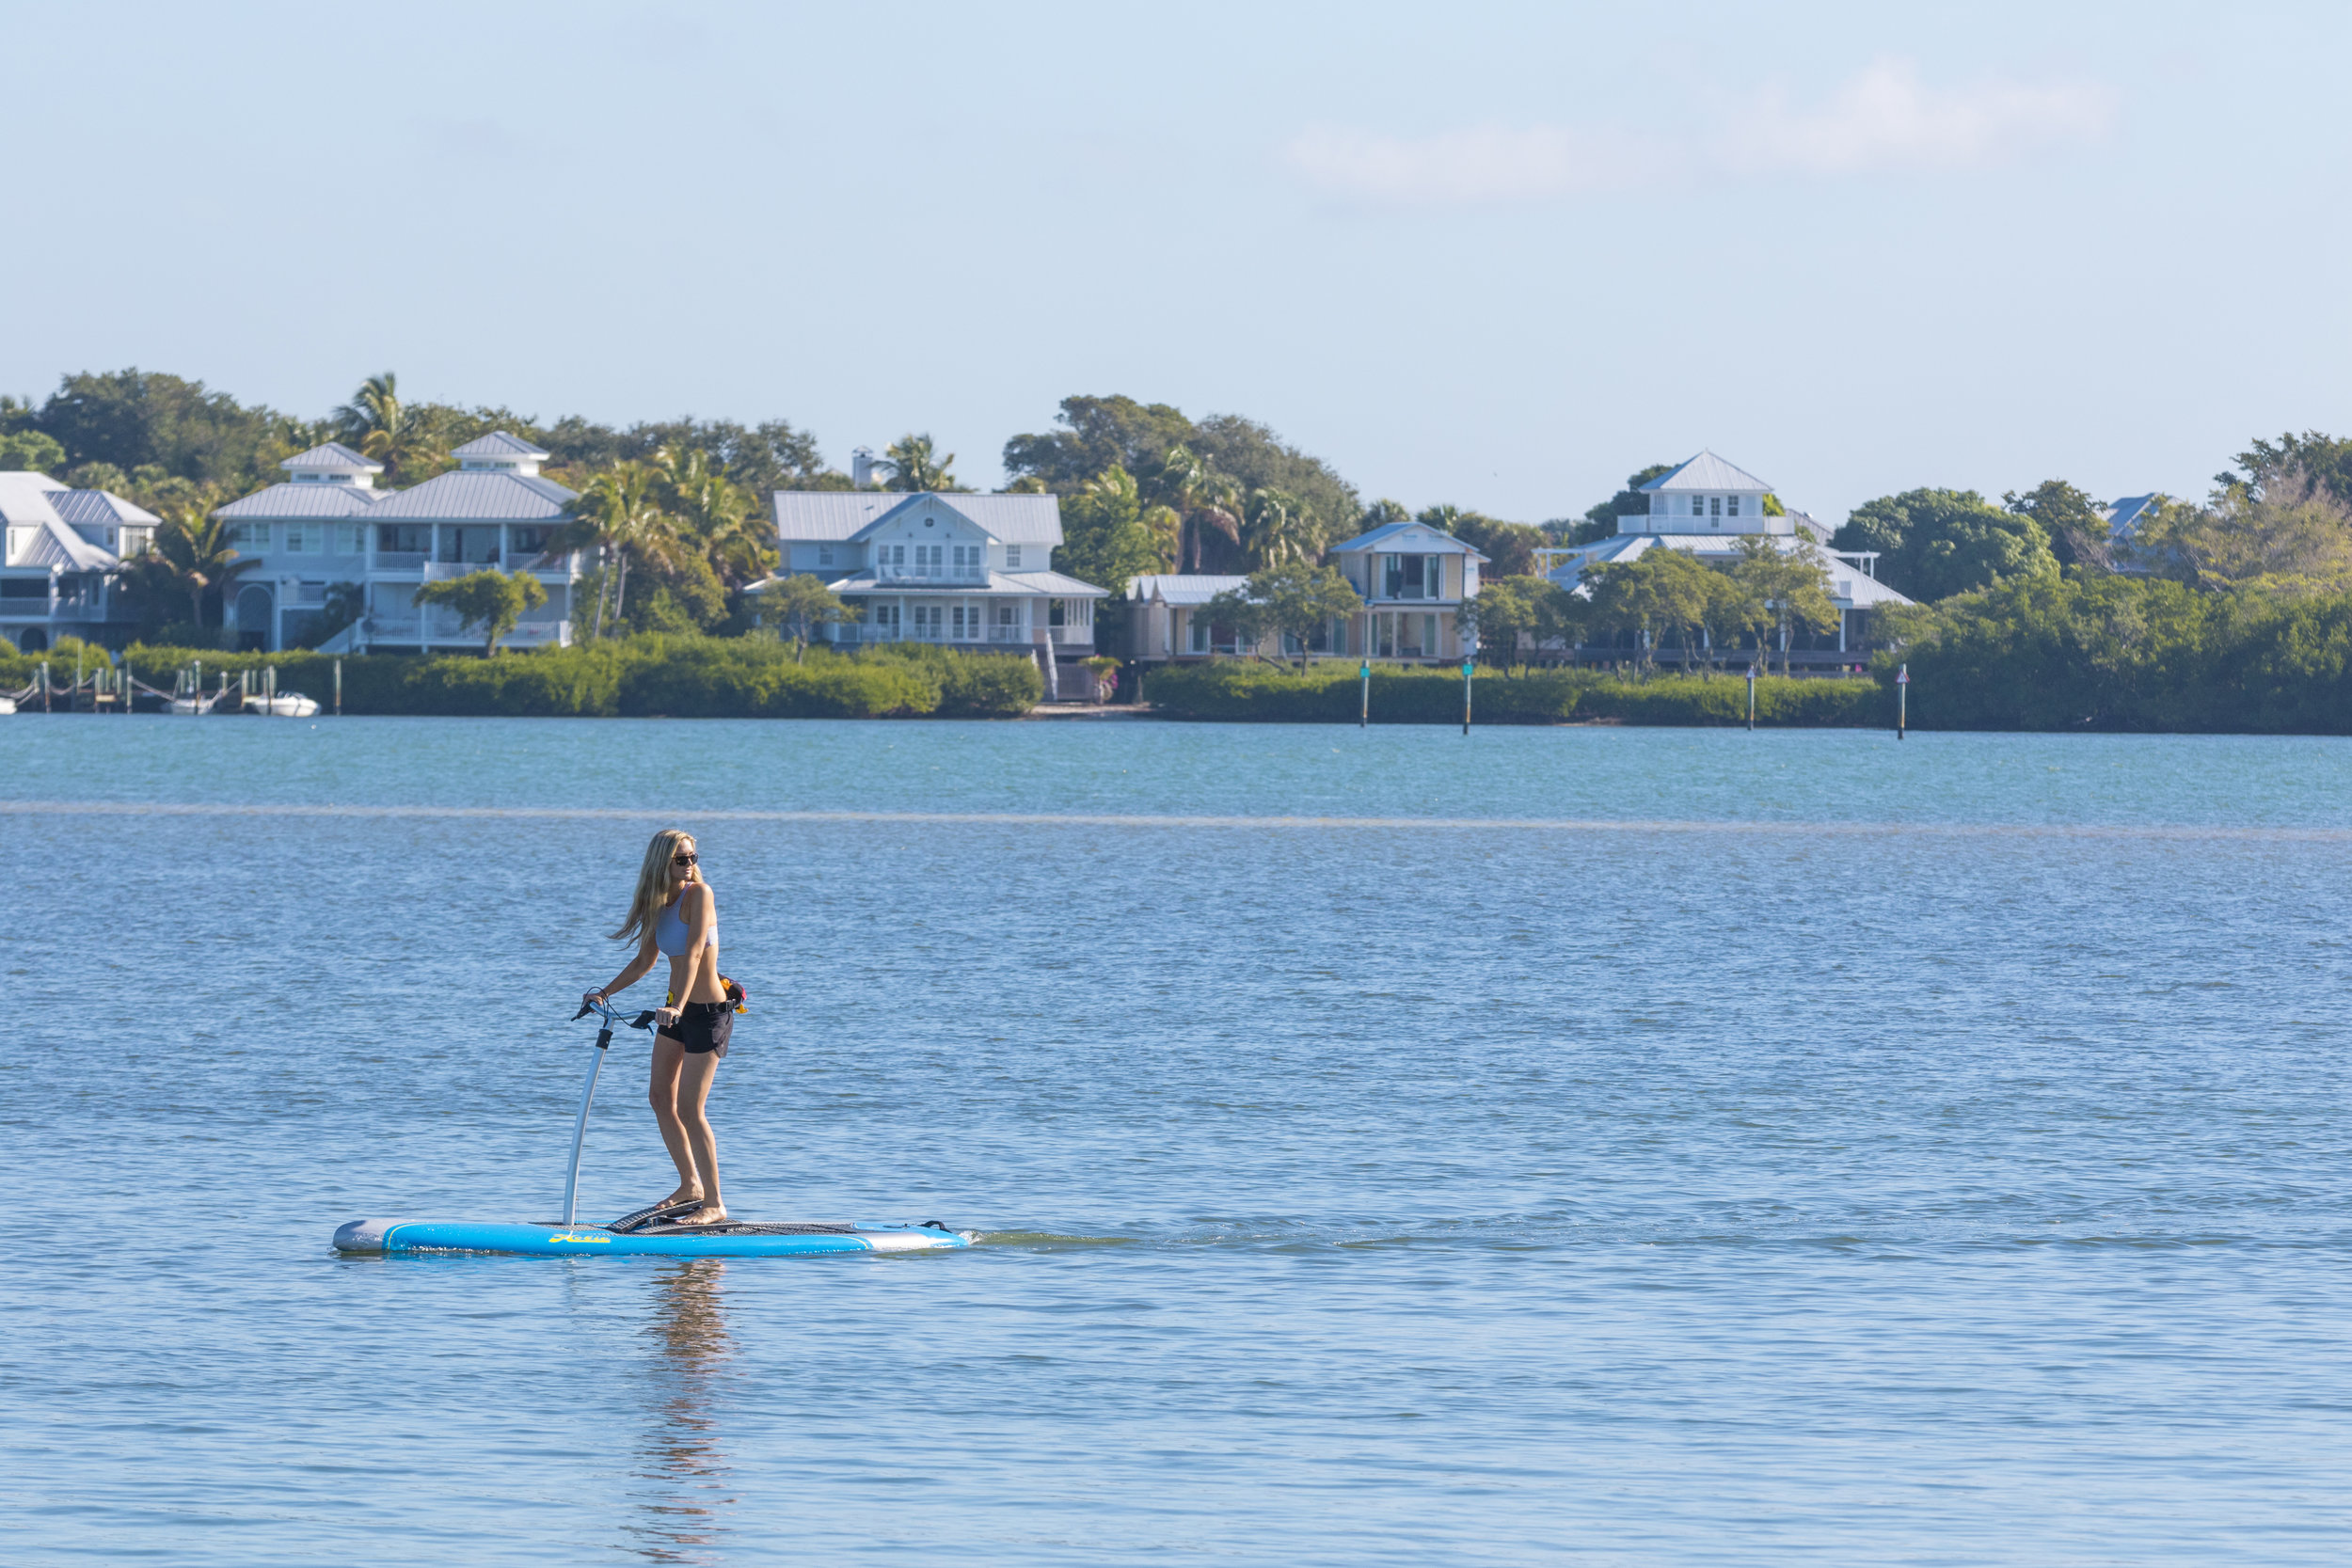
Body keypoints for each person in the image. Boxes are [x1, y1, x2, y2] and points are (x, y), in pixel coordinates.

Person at [584, 829, 733, 1227]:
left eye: (693, 858)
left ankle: (715, 1202)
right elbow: (643, 963)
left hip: (706, 1011)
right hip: (675, 1010)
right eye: (681, 860)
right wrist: (602, 993)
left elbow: (697, 952)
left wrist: (678, 1007)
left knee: (690, 1107)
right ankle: (690, 1186)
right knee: (658, 1098)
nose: (690, 866)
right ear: (661, 864)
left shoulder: (699, 895)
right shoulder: (660, 903)